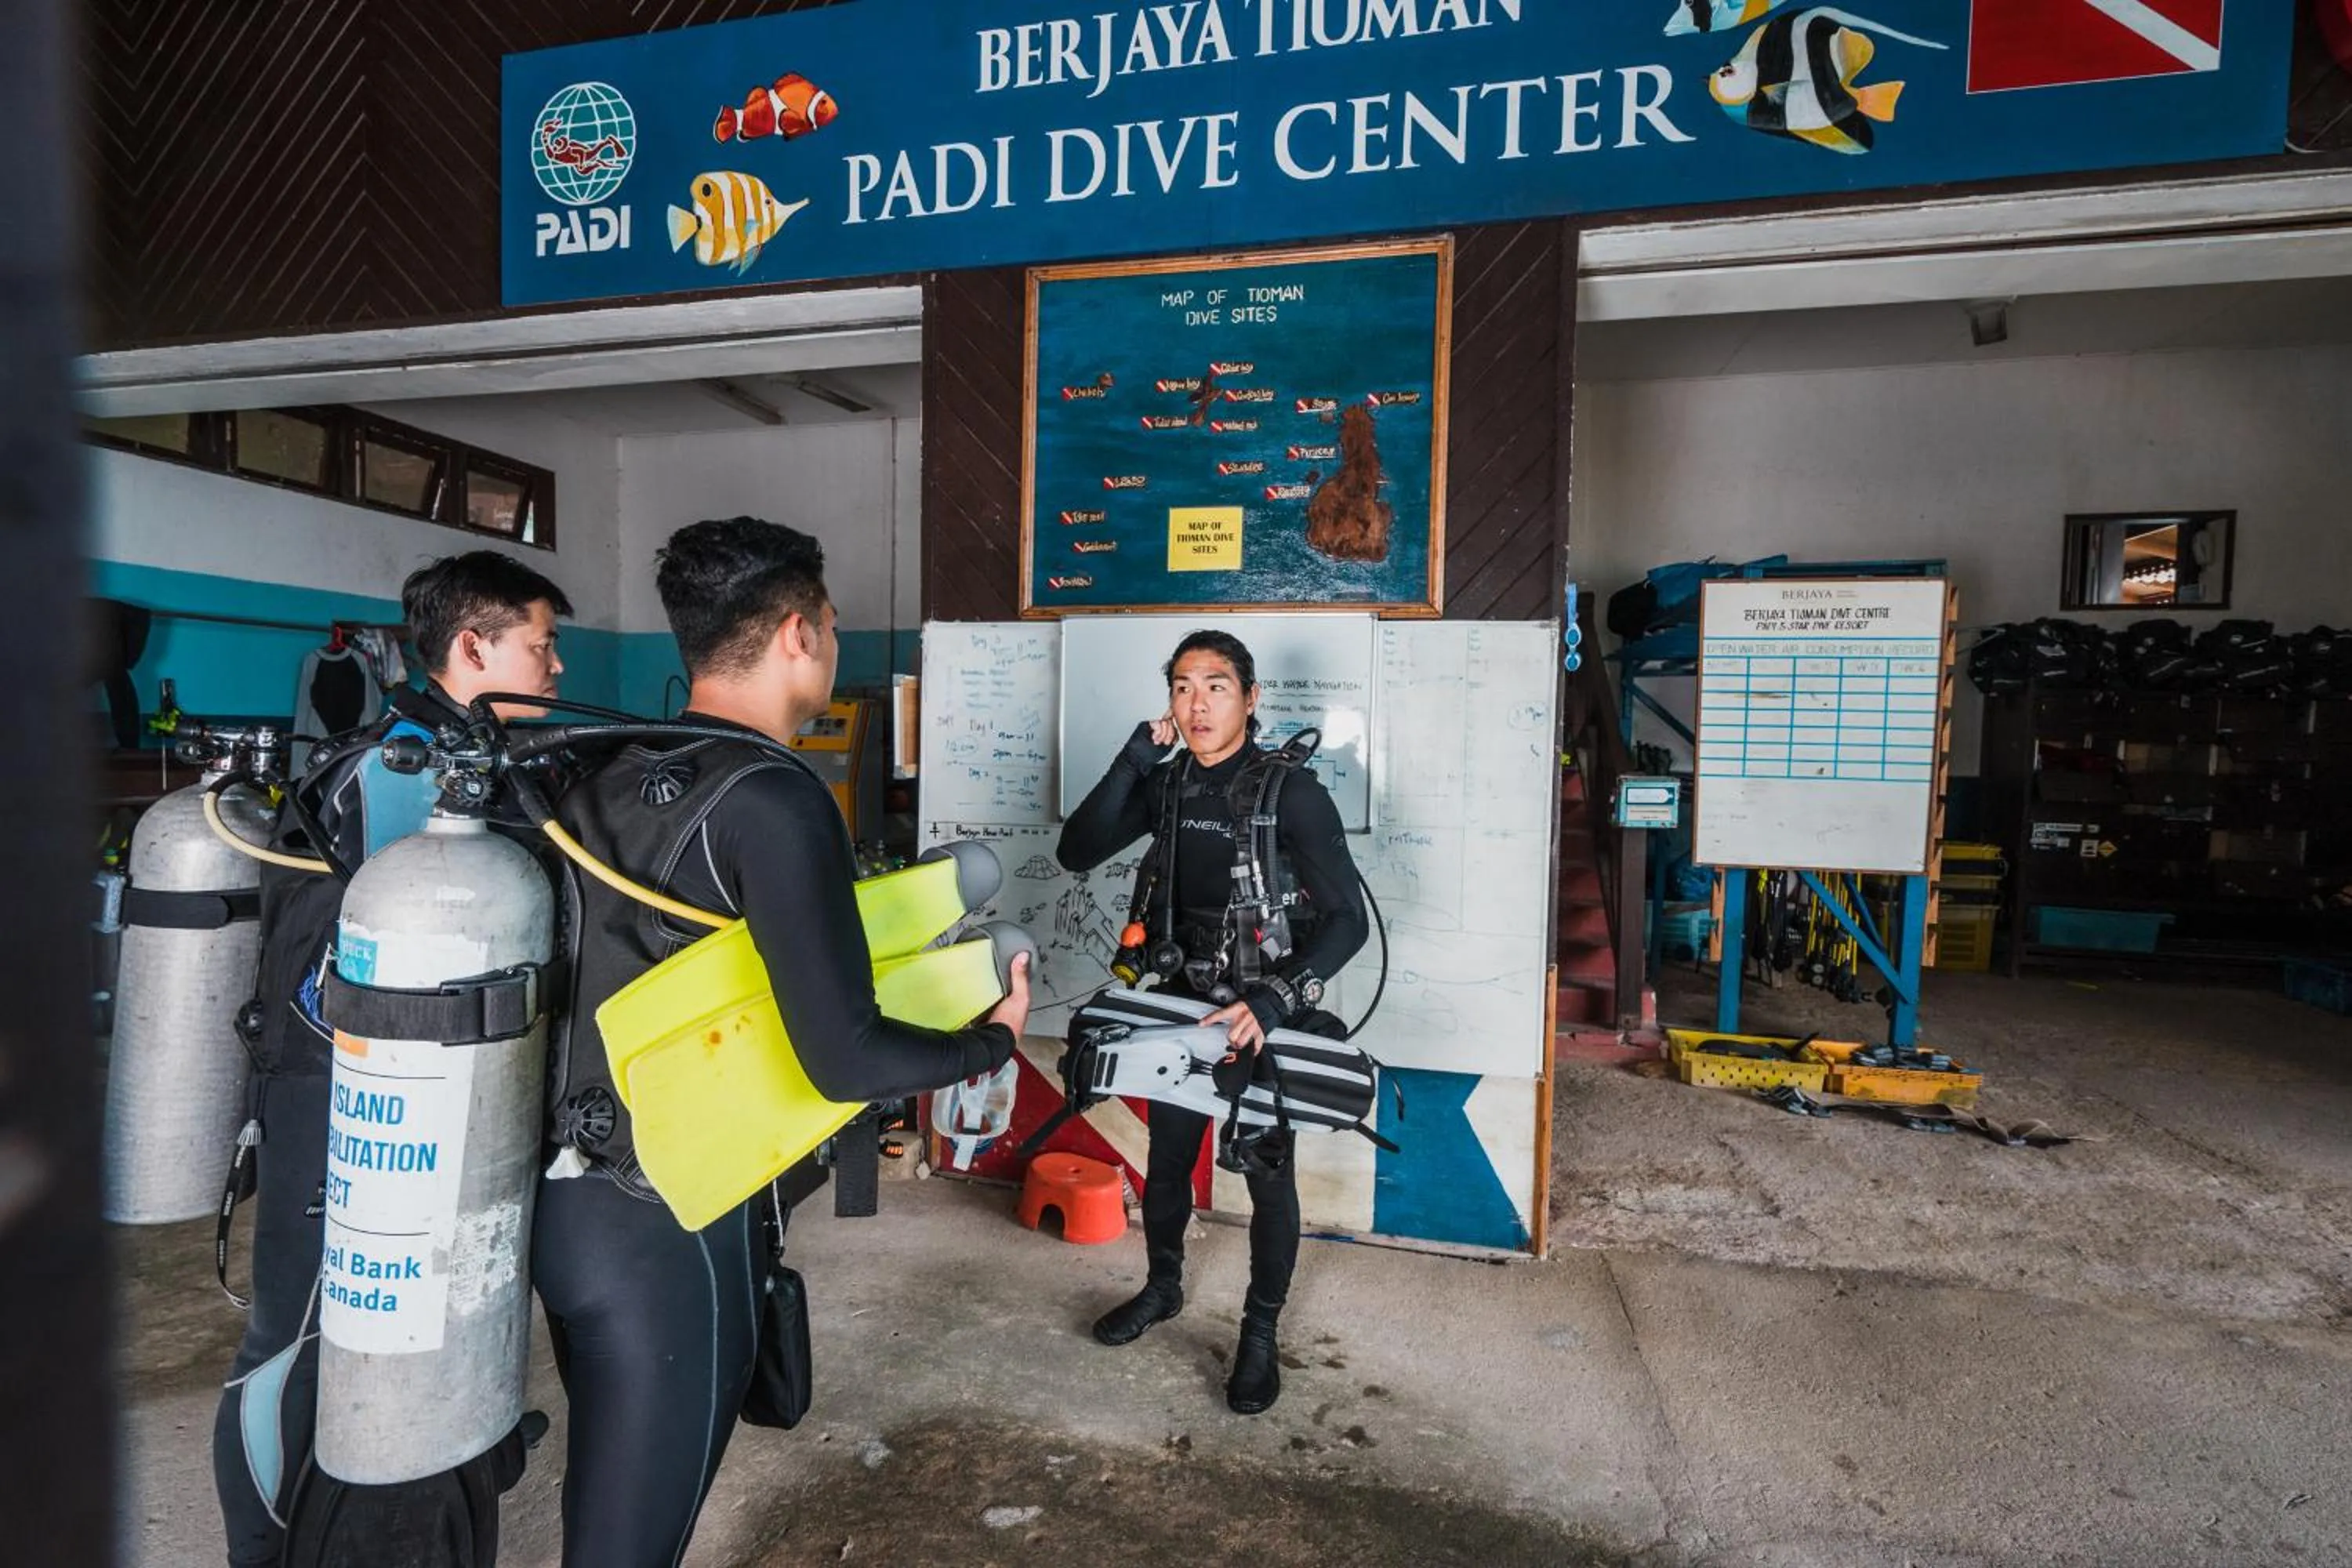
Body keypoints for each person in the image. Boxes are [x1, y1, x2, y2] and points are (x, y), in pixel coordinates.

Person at [535, 515, 1030, 1568]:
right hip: (672, 1224)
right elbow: (845, 1058)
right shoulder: (771, 795)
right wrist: (989, 1046)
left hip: (568, 1206)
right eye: (837, 627)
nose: (837, 645)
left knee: (606, 1512)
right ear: (798, 635)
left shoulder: (602, 772)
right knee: (630, 1546)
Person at [215, 550, 572, 1566]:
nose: (552, 669)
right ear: (472, 647)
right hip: (339, 1100)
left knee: (425, 1316)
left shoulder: (456, 756)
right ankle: (264, 1545)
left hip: (423, 1098)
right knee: (296, 1337)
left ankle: (430, 1461)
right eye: (537, 647)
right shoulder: (402, 769)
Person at [1057, 629, 1368, 1416]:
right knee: (1167, 1165)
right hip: (1176, 1005)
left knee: (1267, 1176)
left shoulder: (1290, 792)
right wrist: (1134, 759)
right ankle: (1163, 1287)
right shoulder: (1167, 786)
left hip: (1258, 1018)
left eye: (1216, 685)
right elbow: (1076, 849)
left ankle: (1259, 1335)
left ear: (1252, 698)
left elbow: (1347, 922)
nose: (1197, 703)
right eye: (1183, 686)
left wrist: (1274, 1000)